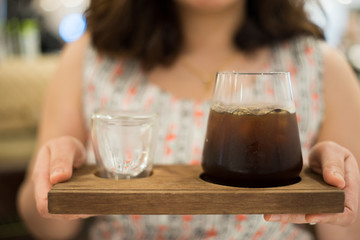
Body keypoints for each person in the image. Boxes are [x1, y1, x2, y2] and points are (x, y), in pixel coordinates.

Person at [17, 0, 360, 239]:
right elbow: (44, 228)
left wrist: (337, 197)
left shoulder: (320, 66)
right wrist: (54, 182)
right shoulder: (89, 58)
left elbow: (347, 232)